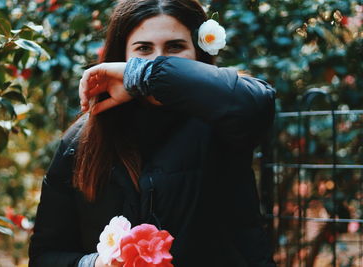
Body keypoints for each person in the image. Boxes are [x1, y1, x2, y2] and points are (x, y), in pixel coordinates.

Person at [28, 0, 277, 266]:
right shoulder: (82, 140)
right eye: (143, 49)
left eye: (175, 47)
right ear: (121, 55)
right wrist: (95, 263)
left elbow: (259, 104)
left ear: (198, 53)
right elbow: (46, 255)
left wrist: (145, 74)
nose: (159, 59)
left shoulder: (221, 115)